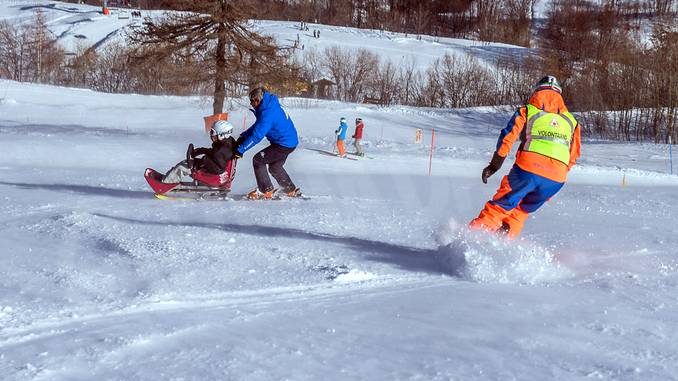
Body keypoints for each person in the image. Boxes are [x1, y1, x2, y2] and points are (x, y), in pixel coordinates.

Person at [468, 75, 582, 239]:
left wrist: (494, 165)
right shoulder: (572, 122)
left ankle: (472, 239)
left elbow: (508, 137)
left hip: (528, 170)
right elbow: (574, 155)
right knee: (520, 211)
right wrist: (554, 175)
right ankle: (503, 246)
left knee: (501, 206)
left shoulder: (528, 110)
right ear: (560, 94)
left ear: (537, 91)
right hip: (556, 179)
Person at [234, 87, 301, 200]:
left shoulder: (268, 113)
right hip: (289, 142)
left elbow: (257, 136)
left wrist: (241, 150)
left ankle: (266, 190)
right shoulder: (269, 106)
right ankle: (290, 189)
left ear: (258, 100)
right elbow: (258, 126)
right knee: (275, 167)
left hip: (283, 144)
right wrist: (244, 136)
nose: (251, 104)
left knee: (258, 160)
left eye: (252, 101)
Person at [162, 120, 237, 183]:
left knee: (182, 167)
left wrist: (202, 162)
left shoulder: (223, 149)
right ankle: (168, 179)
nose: (211, 135)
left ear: (222, 135)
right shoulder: (225, 144)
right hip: (211, 166)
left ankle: (165, 184)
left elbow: (217, 165)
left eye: (213, 133)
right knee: (186, 162)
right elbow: (214, 154)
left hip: (213, 171)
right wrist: (201, 151)